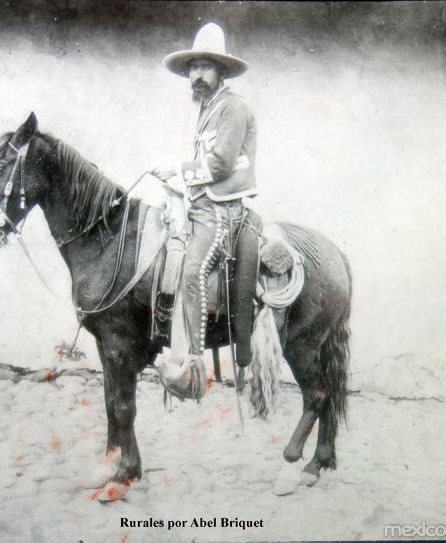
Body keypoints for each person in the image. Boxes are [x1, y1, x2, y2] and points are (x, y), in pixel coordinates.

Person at [153, 23, 258, 400]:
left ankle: (194, 367)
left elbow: (221, 165)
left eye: (206, 67)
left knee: (193, 270)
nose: (197, 75)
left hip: (220, 212)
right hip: (200, 204)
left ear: (221, 72)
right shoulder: (207, 109)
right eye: (193, 67)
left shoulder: (234, 108)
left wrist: (176, 170)